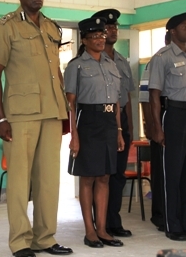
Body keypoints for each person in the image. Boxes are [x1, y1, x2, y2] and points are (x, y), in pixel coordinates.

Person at [0, 0, 73, 257]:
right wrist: (0, 117)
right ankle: (20, 242)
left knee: (49, 180)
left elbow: (55, 73)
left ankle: (45, 238)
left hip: (50, 112)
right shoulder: (5, 27)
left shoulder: (51, 27)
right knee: (20, 182)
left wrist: (63, 112)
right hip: (20, 115)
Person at [64, 17, 125, 248]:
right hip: (88, 122)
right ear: (85, 39)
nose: (100, 40)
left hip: (109, 122)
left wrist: (119, 131)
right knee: (88, 177)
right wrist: (74, 136)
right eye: (95, 36)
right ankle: (89, 231)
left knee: (105, 177)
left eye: (102, 36)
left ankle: (102, 229)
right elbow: (70, 103)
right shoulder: (76, 65)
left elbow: (117, 103)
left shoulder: (112, 64)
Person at [149, 12, 186, 241]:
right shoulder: (162, 58)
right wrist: (156, 128)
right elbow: (154, 95)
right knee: (172, 174)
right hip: (173, 115)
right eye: (184, 25)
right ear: (173, 31)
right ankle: (172, 225)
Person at [92, 9, 134, 238]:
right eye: (108, 27)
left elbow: (126, 96)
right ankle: (99, 223)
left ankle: (113, 221)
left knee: (118, 174)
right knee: (99, 174)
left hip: (121, 122)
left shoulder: (122, 62)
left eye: (115, 27)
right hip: (100, 121)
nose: (113, 30)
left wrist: (131, 128)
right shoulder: (90, 60)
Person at [139, 31, 171, 232]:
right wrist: (151, 127)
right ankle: (160, 215)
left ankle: (175, 213)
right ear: (168, 40)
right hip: (160, 119)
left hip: (179, 119)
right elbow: (146, 97)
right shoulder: (156, 62)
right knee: (160, 172)